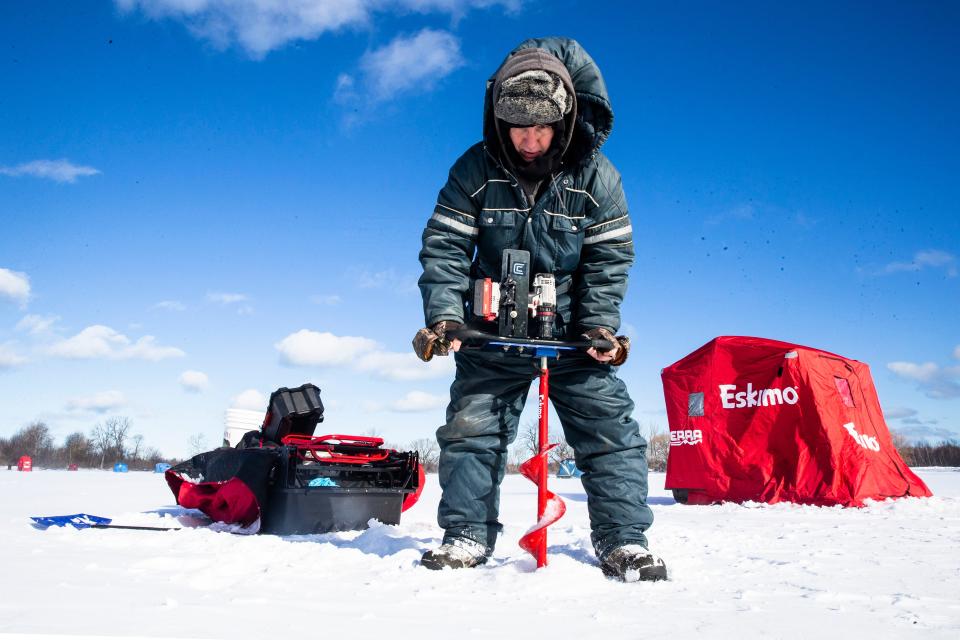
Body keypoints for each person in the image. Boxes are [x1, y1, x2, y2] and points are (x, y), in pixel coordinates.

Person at [412, 37, 667, 582]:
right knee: (470, 430)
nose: (529, 141)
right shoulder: (474, 170)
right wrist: (446, 317)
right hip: (490, 330)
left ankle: (624, 542)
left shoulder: (598, 178)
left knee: (610, 431)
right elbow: (444, 247)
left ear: (565, 120)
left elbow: (609, 260)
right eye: (517, 128)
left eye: (541, 128)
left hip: (572, 332)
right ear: (498, 121)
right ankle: (465, 535)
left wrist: (600, 325)